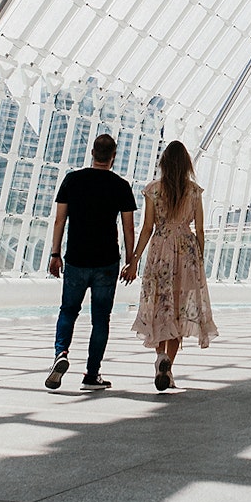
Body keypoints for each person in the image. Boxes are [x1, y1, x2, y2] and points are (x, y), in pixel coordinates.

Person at [121, 140, 218, 391]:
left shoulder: (153, 190)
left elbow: (147, 228)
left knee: (158, 306)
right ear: (186, 165)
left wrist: (133, 261)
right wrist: (199, 260)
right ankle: (169, 367)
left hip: (160, 249)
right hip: (186, 252)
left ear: (163, 163)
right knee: (178, 309)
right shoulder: (195, 192)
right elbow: (200, 230)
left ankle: (160, 357)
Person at [44, 133, 138, 391]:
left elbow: (59, 220)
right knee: (100, 319)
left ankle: (61, 354)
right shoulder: (121, 185)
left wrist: (55, 254)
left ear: (92, 153)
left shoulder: (72, 180)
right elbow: (128, 228)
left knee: (68, 311)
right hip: (107, 261)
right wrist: (132, 261)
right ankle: (92, 374)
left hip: (76, 258)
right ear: (113, 157)